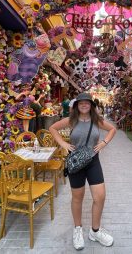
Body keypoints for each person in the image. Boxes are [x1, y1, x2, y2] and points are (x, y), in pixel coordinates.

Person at [49, 93, 116, 251]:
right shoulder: (71, 120)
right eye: (81, 103)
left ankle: (95, 231)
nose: (84, 105)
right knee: (77, 197)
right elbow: (52, 128)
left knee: (100, 196)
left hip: (93, 161)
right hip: (76, 162)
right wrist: (63, 144)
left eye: (87, 103)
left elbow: (112, 129)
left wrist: (104, 143)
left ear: (91, 105)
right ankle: (77, 229)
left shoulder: (96, 120)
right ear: (77, 105)